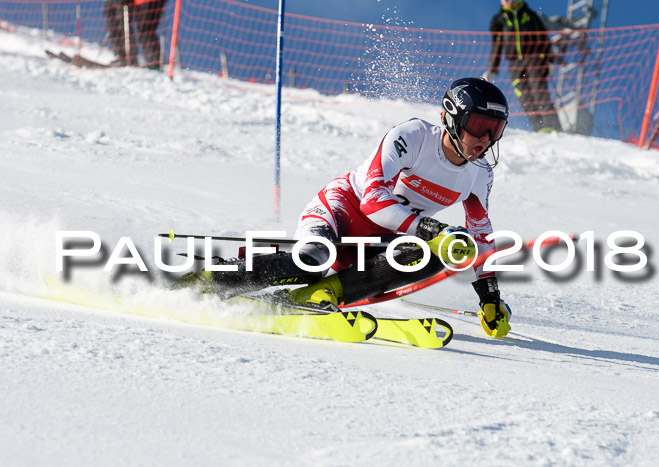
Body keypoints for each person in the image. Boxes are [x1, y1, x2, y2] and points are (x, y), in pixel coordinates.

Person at [178, 78, 513, 338]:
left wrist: (490, 297)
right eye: (479, 126)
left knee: (444, 252)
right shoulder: (413, 136)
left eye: (495, 130)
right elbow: (373, 201)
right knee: (312, 260)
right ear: (452, 117)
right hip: (340, 212)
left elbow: (482, 236)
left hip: (380, 244)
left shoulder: (479, 174)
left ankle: (316, 296)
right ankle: (211, 278)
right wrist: (432, 229)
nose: (485, 138)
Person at [484, 0, 562, 133]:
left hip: (534, 58)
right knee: (524, 96)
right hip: (515, 64)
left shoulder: (529, 14)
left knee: (539, 91)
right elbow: (496, 45)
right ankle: (540, 129)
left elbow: (543, 37)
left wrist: (550, 60)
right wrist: (492, 69)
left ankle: (555, 128)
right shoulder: (499, 19)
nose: (509, 1)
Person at [133, 0, 167, 70]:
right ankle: (153, 61)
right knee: (146, 30)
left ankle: (154, 62)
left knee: (145, 30)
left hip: (145, 2)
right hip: (141, 3)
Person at [103, 0, 138, 66]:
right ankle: (120, 57)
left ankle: (132, 58)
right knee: (111, 28)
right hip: (107, 1)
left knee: (124, 26)